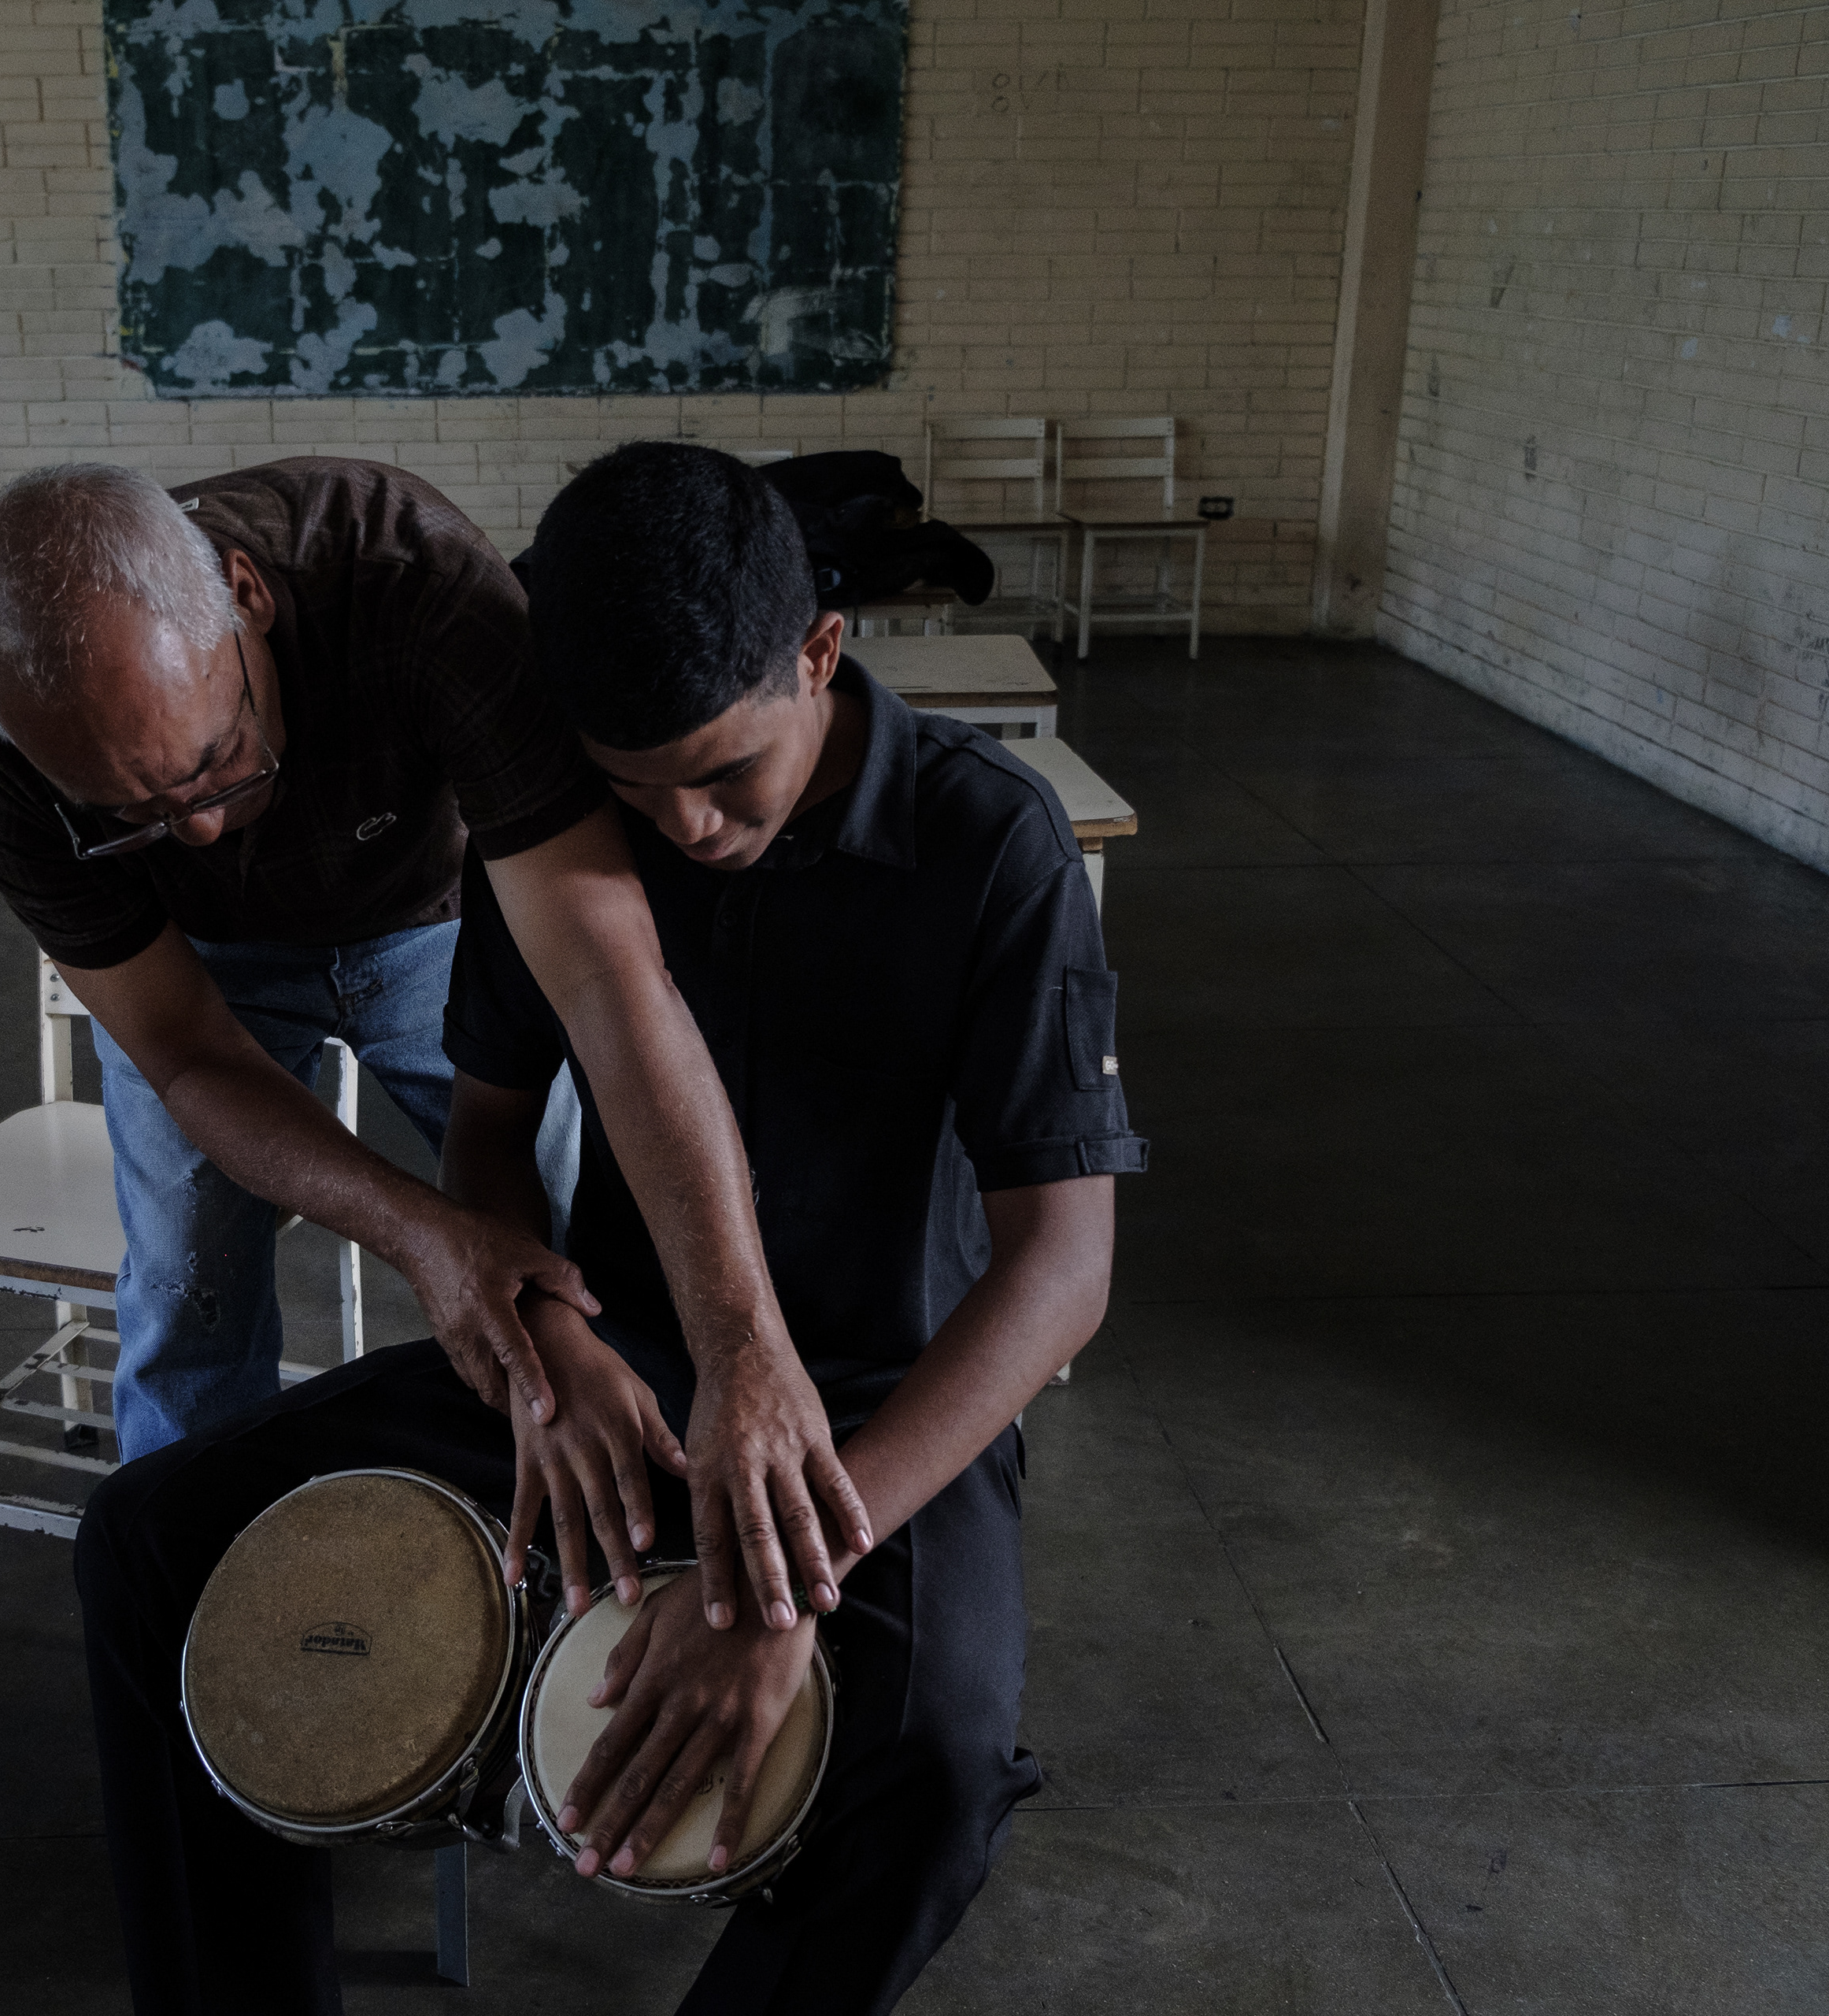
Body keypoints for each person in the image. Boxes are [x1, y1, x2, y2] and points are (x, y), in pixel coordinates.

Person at [72, 442, 1148, 2015]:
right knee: (149, 1538)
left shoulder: (991, 845)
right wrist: (552, 1347)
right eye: (633, 788)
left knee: (938, 1765)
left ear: (821, 653)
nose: (683, 826)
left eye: (723, 778)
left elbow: (1064, 1266)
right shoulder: (571, 836)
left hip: (875, 1404)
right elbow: (494, 1136)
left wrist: (787, 1578)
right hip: (625, 1369)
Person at [0, 461, 874, 1618]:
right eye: (131, 817)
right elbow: (186, 1054)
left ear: (246, 596)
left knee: (574, 1232)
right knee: (188, 1282)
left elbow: (605, 980)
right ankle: (202, 1595)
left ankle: (608, 1539)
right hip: (208, 972)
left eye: (215, 759)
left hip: (424, 914)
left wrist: (740, 1339)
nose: (207, 827)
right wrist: (421, 1233)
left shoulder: (418, 581)